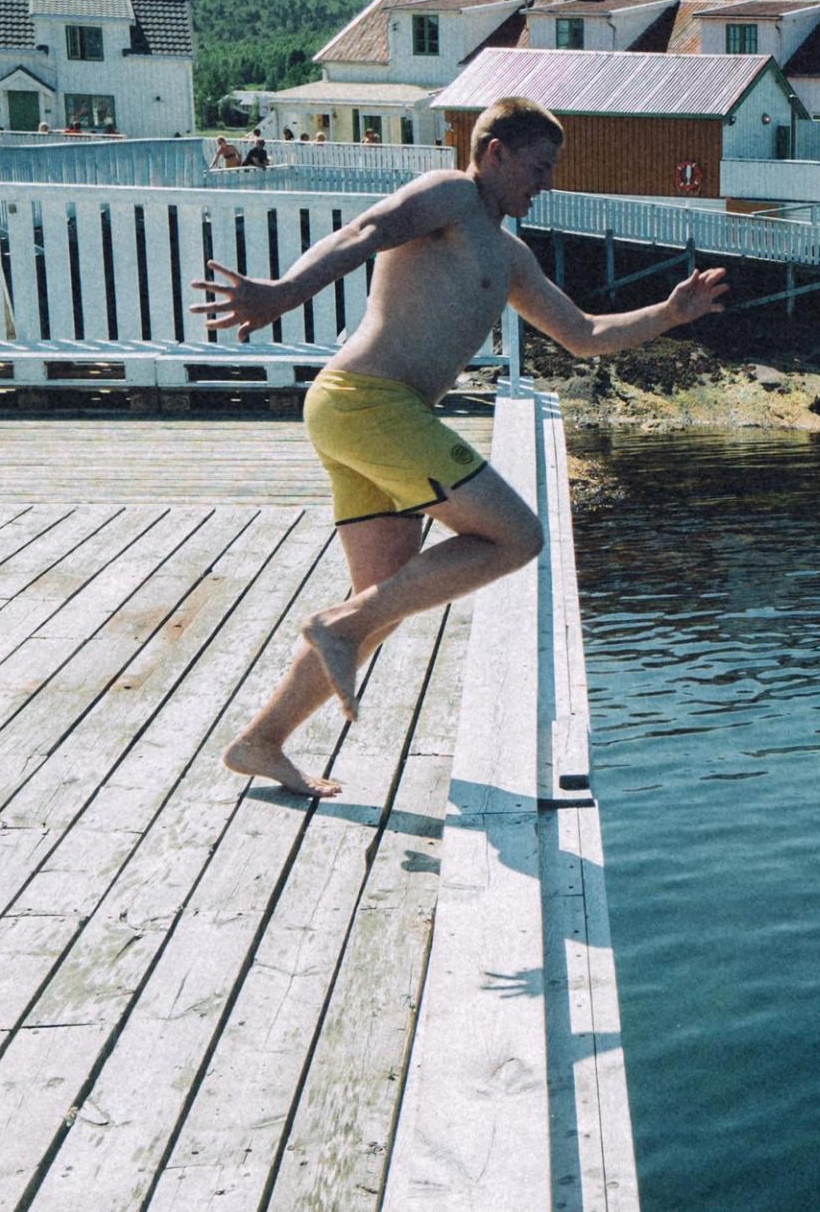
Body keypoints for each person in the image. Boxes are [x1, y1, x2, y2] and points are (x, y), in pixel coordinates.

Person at [192, 93, 726, 798]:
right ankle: (337, 627)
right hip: (367, 402)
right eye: (538, 166)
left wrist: (668, 312)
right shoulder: (452, 195)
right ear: (494, 151)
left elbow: (584, 333)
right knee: (516, 536)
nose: (546, 182)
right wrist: (283, 293)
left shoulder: (508, 255)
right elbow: (366, 230)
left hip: (374, 414)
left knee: (378, 605)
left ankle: (262, 740)